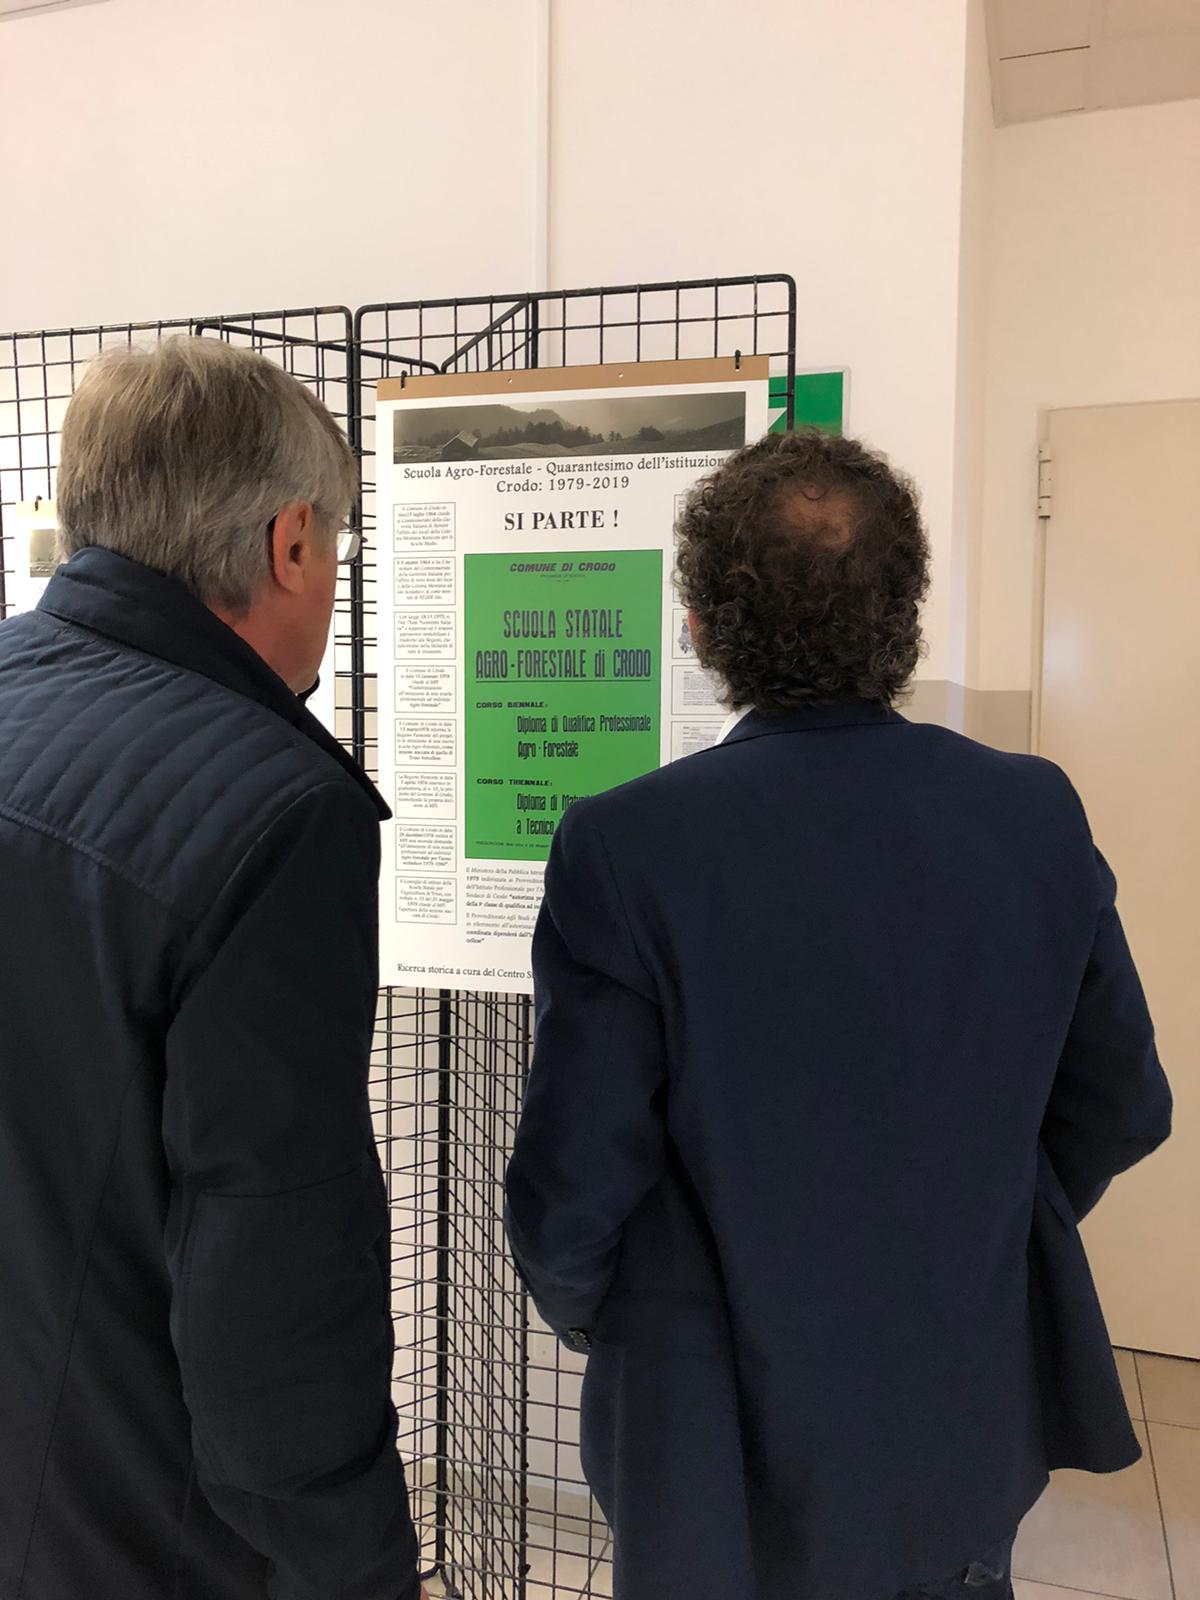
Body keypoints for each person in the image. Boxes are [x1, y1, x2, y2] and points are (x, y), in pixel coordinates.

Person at [505, 428, 1172, 1600]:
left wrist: (622, 1316)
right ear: (903, 614)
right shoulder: (1031, 812)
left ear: (701, 625)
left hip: (717, 1430)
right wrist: (976, 1217)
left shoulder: (629, 845)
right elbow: (1123, 1101)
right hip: (959, 1406)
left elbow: (572, 1194)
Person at [0, 338, 424, 1600]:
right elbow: (273, 1277)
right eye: (336, 545)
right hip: (141, 1520)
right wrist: (357, 1565)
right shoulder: (277, 812)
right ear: (291, 542)